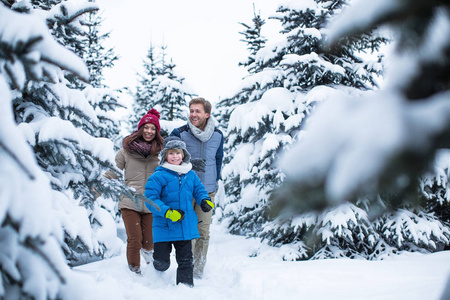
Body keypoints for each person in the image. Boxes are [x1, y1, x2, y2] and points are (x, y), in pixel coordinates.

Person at [144, 136, 213, 286]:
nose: (175, 156)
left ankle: (186, 289)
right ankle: (157, 272)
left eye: (178, 153)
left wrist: (204, 200)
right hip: (164, 226)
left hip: (184, 225)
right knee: (162, 261)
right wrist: (168, 212)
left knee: (186, 260)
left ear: (183, 155)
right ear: (165, 156)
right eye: (171, 153)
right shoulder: (158, 175)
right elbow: (150, 198)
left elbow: (199, 189)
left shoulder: (190, 174)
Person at [104, 108, 163, 274]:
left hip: (151, 203)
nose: (149, 131)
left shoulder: (160, 153)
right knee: (134, 239)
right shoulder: (126, 150)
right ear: (140, 128)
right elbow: (112, 172)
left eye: (153, 128)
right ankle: (134, 272)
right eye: (146, 127)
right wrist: (95, 188)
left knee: (150, 242)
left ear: (157, 132)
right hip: (130, 201)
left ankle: (147, 252)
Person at [170, 97, 224, 278]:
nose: (193, 114)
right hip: (184, 190)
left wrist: (215, 181)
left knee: (203, 231)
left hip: (207, 191)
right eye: (191, 110)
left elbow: (218, 160)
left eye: (197, 111)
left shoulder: (218, 135)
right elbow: (168, 158)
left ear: (207, 114)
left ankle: (198, 269)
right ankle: (186, 267)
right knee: (186, 230)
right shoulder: (180, 133)